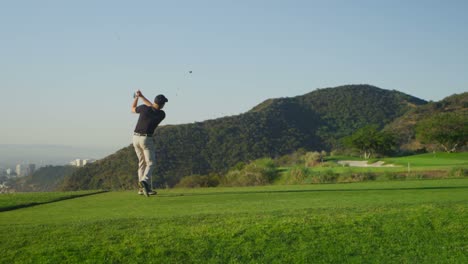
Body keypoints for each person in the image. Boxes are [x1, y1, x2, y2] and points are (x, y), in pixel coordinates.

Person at [131, 90, 168, 197]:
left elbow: (133, 109)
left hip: (135, 138)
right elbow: (152, 106)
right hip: (146, 139)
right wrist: (142, 96)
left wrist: (137, 97)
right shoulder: (161, 114)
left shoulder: (144, 108)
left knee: (142, 163)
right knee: (151, 163)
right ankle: (145, 182)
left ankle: (141, 189)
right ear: (162, 104)